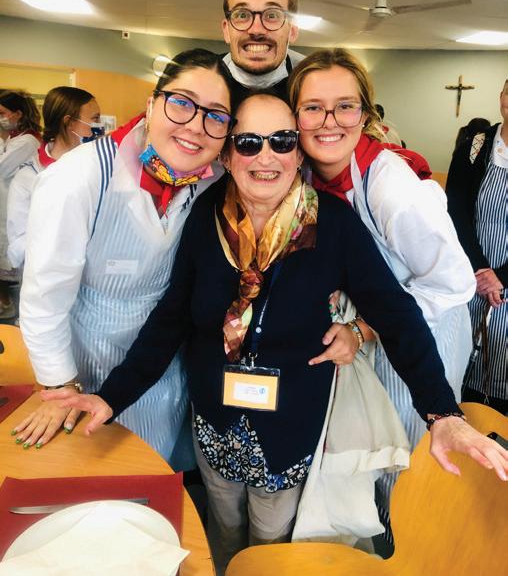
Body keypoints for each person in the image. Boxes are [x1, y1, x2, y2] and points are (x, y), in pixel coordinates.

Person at [40, 94, 507, 574]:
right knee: (221, 528)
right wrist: (111, 397)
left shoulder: (332, 223)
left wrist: (442, 412)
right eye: (248, 142)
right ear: (227, 155)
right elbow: (170, 319)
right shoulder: (206, 216)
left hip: (290, 427)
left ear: (298, 153)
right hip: (215, 420)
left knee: (271, 542)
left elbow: (397, 315)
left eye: (282, 141)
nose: (266, 156)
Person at [13, 49, 235, 468]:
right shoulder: (80, 177)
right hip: (87, 352)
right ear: (151, 104)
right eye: (182, 103)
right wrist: (60, 386)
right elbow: (45, 297)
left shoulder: (212, 180)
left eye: (216, 116)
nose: (196, 126)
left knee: (157, 466)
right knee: (94, 468)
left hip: (164, 350)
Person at [287, 48, 477, 520]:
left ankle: (409, 546)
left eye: (345, 106)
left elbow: (453, 282)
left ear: (365, 115)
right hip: (366, 327)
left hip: (425, 326)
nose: (329, 122)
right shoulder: (307, 174)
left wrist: (364, 329)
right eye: (313, 108)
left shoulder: (391, 187)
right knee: (369, 455)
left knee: (406, 458)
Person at [446, 80, 508, 415]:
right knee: (464, 361)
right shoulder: (476, 146)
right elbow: (455, 210)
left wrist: (501, 277)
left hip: (502, 280)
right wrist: (480, 269)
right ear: (501, 97)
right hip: (470, 276)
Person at [7, 86, 102, 269]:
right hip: (50, 275)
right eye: (95, 119)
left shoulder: (99, 168)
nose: (100, 126)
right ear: (69, 123)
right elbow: (18, 248)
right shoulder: (28, 177)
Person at [221, 0, 305, 101]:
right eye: (242, 15)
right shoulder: (198, 82)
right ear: (226, 30)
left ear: (292, 31)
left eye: (272, 15)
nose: (256, 30)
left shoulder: (314, 86)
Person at [0, 90, 41, 318]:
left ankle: (16, 314)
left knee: (15, 266)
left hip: (14, 211)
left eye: (2, 113)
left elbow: (2, 168)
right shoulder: (13, 139)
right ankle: (7, 307)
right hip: (5, 208)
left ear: (17, 114)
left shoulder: (28, 141)